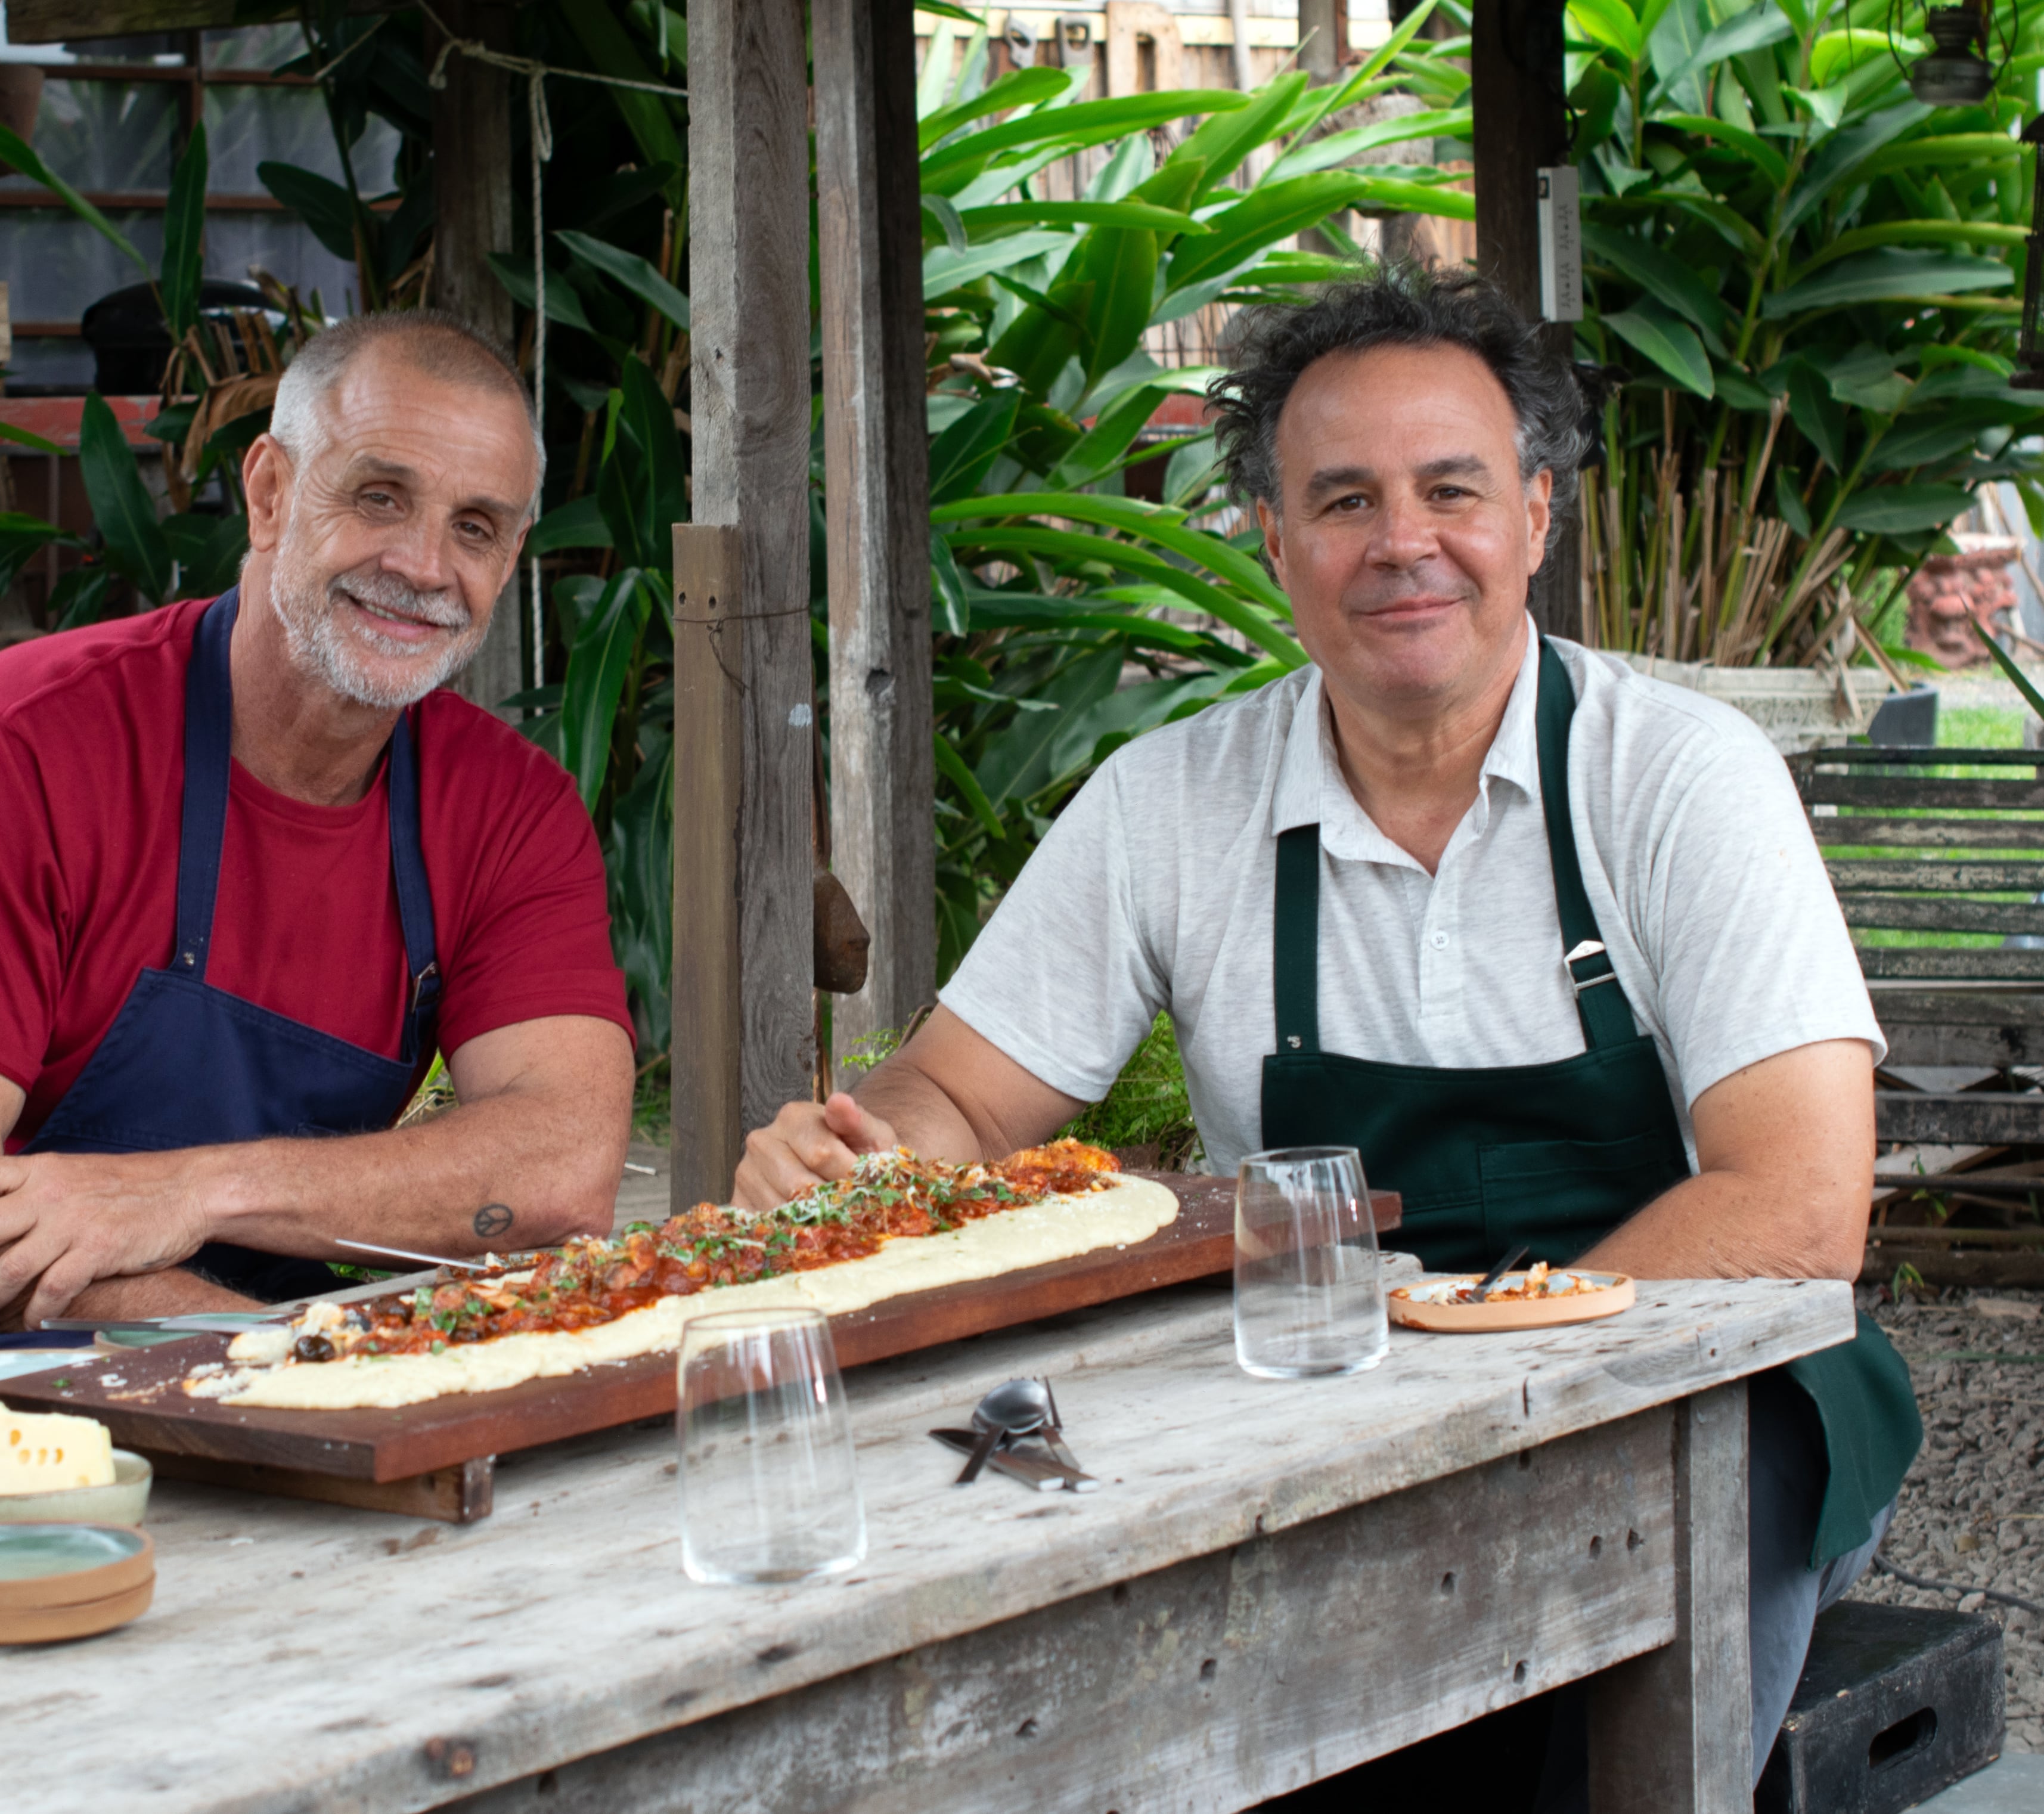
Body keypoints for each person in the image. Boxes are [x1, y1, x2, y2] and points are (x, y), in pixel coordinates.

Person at [736, 263, 1917, 1794]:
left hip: (1700, 1391)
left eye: (1452, 490)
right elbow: (958, 1098)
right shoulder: (1172, 804)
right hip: (1334, 1401)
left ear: (1537, 517)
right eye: (1346, 500)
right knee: (1013, 1530)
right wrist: (865, 1160)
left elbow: (1798, 1206)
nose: (1403, 542)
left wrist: (1479, 1377)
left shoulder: (1683, 778)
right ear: (1276, 542)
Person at [0, 310, 635, 1347]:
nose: (426, 566)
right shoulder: (12, 751)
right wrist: (287, 1358)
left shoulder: (509, 812)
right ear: (269, 493)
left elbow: (561, 1170)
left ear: (511, 558)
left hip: (246, 1323)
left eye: (474, 527)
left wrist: (192, 1196)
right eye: (379, 497)